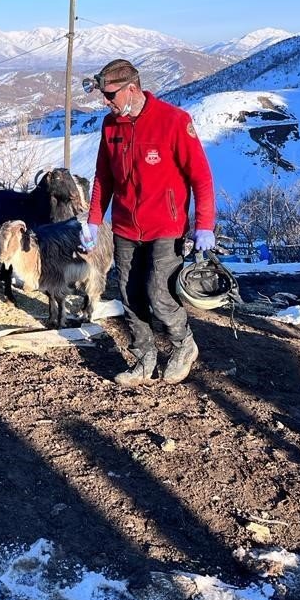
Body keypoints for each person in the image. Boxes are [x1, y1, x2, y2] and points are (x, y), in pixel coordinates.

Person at [80, 59, 216, 385]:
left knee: (160, 293)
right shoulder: (110, 126)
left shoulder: (174, 121)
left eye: (110, 95)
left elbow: (201, 177)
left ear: (131, 89)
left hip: (166, 226)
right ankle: (144, 359)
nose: (106, 102)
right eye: (103, 95)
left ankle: (183, 345)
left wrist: (205, 224)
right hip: (126, 225)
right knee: (130, 295)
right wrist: (94, 220)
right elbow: (103, 177)